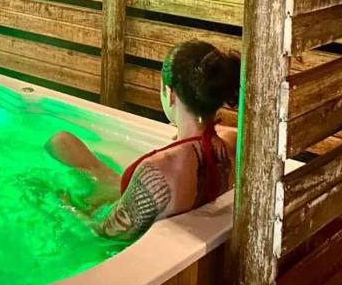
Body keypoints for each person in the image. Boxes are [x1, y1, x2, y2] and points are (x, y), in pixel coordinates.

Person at [46, 40, 239, 239]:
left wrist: (63, 205)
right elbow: (220, 132)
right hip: (142, 205)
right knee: (62, 142)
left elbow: (101, 234)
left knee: (59, 148)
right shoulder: (231, 144)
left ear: (170, 94)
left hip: (123, 219)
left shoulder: (157, 171)